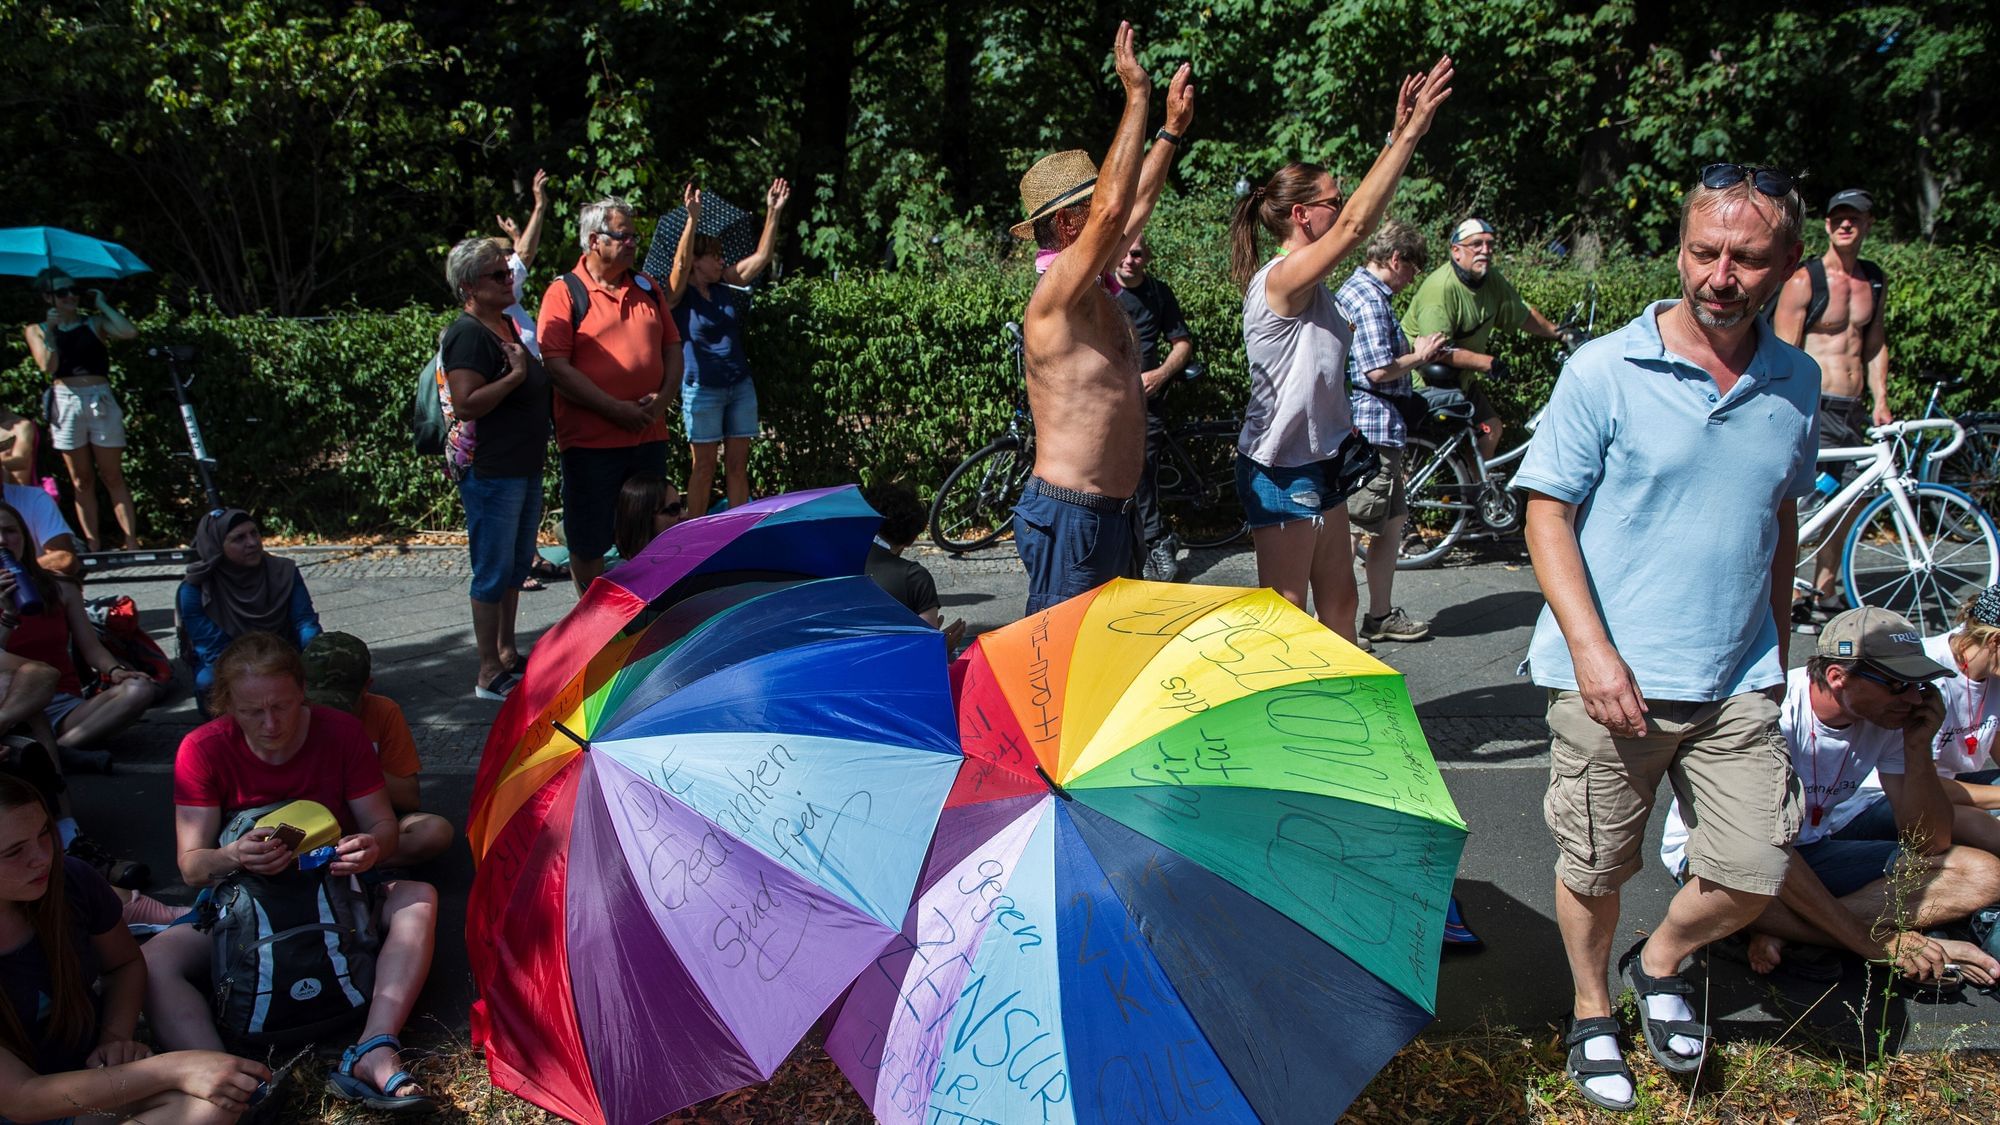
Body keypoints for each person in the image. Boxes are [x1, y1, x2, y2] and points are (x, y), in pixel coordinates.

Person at [1515, 164, 1819, 1110]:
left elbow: (1778, 518)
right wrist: (1594, 653)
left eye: (1746, 257)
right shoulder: (1604, 368)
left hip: (1736, 679)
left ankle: (1663, 963)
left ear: (1786, 266)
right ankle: (1593, 1011)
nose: (1720, 275)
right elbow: (1545, 513)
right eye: (1704, 251)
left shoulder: (1796, 380)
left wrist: (1776, 650)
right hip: (1610, 681)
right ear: (1681, 250)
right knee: (1597, 862)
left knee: (1753, 868)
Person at [145, 633, 437, 1113]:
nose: (270, 723)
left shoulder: (340, 732)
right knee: (154, 961)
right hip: (246, 908)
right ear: (226, 705)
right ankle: (223, 1079)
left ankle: (374, 1047)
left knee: (418, 896)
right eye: (251, 711)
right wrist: (235, 855)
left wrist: (371, 848)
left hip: (337, 896)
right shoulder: (203, 748)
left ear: (304, 691)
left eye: (282, 706)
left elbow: (381, 824)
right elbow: (193, 866)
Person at [1226, 58, 1453, 643]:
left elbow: (1351, 220)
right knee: (1284, 613)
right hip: (1280, 464)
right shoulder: (1282, 279)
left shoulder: (1313, 280)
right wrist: (1407, 136)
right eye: (1332, 198)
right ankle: (1277, 725)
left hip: (1322, 459)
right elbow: (1355, 226)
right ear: (1302, 215)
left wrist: (1397, 138)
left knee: (1341, 602)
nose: (1343, 203)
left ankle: (1343, 718)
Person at [1658, 608, 2000, 986]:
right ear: (1837, 677)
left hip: (1812, 850)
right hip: (1724, 858)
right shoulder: (1773, 716)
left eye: (1920, 684)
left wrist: (1918, 748)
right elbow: (1769, 851)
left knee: (1982, 873)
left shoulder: (1888, 716)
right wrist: (1877, 942)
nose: (1914, 698)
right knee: (1753, 884)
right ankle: (1835, 934)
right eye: (1899, 684)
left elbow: (1930, 841)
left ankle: (1787, 934)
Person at [1010, 23, 1192, 615]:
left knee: (1103, 677)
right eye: (1090, 216)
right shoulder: (1057, 295)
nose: (1108, 224)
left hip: (1111, 516)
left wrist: (1168, 132)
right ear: (1069, 227)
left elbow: (1131, 205)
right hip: (1073, 518)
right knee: (1060, 685)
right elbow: (1115, 210)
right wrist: (1136, 96)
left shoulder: (1094, 285)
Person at [0, 773, 270, 1124]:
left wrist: (115, 1035)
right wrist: (174, 1067)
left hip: (81, 1084)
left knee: (218, 1102)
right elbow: (23, 1099)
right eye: (13, 851)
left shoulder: (71, 880)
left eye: (43, 834)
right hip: (27, 1104)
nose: (42, 857)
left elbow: (125, 963)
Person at [536, 197, 683, 596]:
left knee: (653, 529)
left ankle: (648, 611)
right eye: (625, 235)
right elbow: (556, 366)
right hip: (591, 443)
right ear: (595, 240)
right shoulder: (564, 293)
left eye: (635, 234)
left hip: (648, 436)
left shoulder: (647, 287)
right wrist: (614, 409)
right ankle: (593, 620)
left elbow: (673, 349)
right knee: (589, 537)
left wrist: (661, 401)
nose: (634, 241)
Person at [441, 237, 552, 701]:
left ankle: (507, 654)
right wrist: (513, 378)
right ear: (469, 287)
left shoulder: (506, 323)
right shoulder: (468, 333)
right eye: (498, 275)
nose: (510, 279)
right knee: (491, 570)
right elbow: (466, 403)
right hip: (493, 471)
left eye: (509, 272)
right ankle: (487, 671)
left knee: (512, 568)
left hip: (522, 466)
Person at [1774, 188, 1890, 619]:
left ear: (1867, 224)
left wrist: (1881, 400)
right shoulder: (1805, 279)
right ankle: (1785, 590)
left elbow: (1874, 343)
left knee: (1849, 498)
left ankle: (1823, 592)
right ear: (1826, 225)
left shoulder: (1873, 280)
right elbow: (1786, 348)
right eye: (1838, 217)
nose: (1846, 224)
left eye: (1854, 218)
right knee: (1803, 501)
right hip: (1815, 404)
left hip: (1852, 407)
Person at [1819, 584, 2000, 854]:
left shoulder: (1994, 675)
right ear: (1995, 641)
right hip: (1877, 797)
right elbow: (1920, 781)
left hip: (1942, 785)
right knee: (1976, 824)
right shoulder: (1927, 675)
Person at [1335, 219, 1448, 647]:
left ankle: (1378, 615)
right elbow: (1377, 370)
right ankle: (1338, 627)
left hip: (1380, 427)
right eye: (1414, 269)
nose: (1413, 279)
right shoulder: (1368, 299)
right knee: (1353, 527)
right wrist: (1419, 356)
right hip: (1370, 429)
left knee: (1391, 521)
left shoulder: (1366, 293)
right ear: (1396, 259)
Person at [668, 178, 790, 518]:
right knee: (704, 467)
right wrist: (692, 219)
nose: (722, 261)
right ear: (696, 261)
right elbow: (678, 268)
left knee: (738, 466)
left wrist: (773, 212)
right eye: (715, 256)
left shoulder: (724, 286)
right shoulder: (679, 294)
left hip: (739, 385)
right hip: (702, 388)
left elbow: (762, 258)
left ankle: (738, 531)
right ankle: (695, 533)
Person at [1403, 218, 1573, 460]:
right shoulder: (1441, 289)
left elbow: (1522, 315)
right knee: (1431, 448)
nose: (1485, 250)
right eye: (1476, 244)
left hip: (1460, 379)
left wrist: (1560, 333)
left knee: (1490, 428)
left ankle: (1476, 488)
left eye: (1490, 244)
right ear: (1456, 251)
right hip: (1424, 382)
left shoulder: (1491, 280)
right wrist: (1488, 363)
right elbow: (1434, 351)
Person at [0, 504, 157, 760]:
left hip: (60, 703)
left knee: (139, 689)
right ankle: (52, 752)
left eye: (10, 531)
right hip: (8, 701)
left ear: (24, 538)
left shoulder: (60, 587)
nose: (2, 540)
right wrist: (7, 614)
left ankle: (57, 752)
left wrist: (116, 671)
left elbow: (91, 648)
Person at [302, 633, 454, 868]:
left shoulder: (383, 711)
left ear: (367, 687)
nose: (330, 716)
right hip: (312, 819)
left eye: (340, 706)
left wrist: (353, 762)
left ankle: (343, 862)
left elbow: (409, 798)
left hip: (372, 822)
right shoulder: (290, 713)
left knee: (435, 832)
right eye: (320, 704)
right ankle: (337, 863)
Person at [19, 270, 139, 553]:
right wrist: (50, 331)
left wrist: (103, 305)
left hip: (100, 397)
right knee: (81, 479)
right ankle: (93, 544)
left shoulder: (93, 323)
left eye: (74, 290)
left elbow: (129, 331)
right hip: (65, 399)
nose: (71, 296)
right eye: (62, 293)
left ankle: (131, 542)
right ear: (48, 298)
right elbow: (47, 366)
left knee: (113, 475)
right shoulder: (36, 329)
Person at [1111, 236, 1196, 582]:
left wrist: (1160, 375)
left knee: (1141, 470)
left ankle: (1155, 543)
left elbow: (1183, 343)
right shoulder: (1102, 292)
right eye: (1125, 252)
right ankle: (1147, 542)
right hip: (1108, 403)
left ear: (1146, 256)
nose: (1130, 260)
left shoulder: (1159, 293)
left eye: (1137, 253)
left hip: (1147, 402)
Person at [176, 509, 321, 700]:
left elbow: (304, 622)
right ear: (217, 545)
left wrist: (316, 652)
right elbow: (214, 650)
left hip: (285, 651)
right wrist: (262, 672)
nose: (252, 543)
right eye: (239, 539)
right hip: (232, 663)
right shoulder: (196, 590)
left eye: (254, 533)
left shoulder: (283, 571)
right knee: (208, 682)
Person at [860, 480, 966, 647]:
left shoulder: (834, 566)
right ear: (909, 540)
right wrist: (943, 649)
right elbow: (925, 652)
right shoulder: (915, 578)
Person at [1, 479, 81, 579]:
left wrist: (15, 570)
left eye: (10, 531)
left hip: (30, 582)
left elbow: (64, 558)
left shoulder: (33, 498)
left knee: (68, 589)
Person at [611, 473, 683, 564]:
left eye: (682, 505)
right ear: (644, 517)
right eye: (674, 509)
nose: (684, 514)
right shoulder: (619, 574)